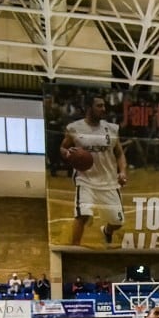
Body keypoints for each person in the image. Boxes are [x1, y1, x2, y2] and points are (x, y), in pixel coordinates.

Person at [60, 94, 128, 247]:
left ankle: (107, 231)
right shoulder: (74, 128)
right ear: (89, 108)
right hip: (86, 180)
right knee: (82, 214)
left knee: (118, 222)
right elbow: (63, 148)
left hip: (109, 182)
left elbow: (119, 154)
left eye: (104, 106)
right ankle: (74, 250)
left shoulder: (111, 129)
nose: (103, 109)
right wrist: (68, 154)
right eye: (99, 106)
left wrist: (122, 172)